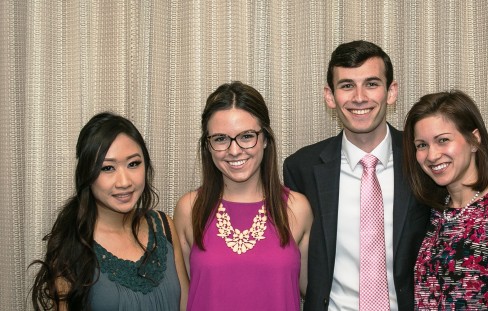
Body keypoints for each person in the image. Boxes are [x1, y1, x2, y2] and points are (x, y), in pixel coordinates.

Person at [283, 40, 430, 311]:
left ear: (391, 91)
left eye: (372, 84)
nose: (359, 97)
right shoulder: (301, 168)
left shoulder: (422, 159)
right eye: (347, 85)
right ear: (330, 96)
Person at [173, 81, 312, 311]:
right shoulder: (189, 208)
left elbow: (315, 290)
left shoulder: (297, 208)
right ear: (208, 146)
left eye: (247, 136)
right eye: (220, 139)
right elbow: (182, 298)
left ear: (265, 139)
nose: (235, 150)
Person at [30, 112, 189, 311]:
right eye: (107, 168)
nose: (124, 182)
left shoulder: (164, 225)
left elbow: (186, 304)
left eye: (133, 164)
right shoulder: (71, 246)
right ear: (86, 174)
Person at [402, 90, 488, 310]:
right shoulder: (434, 212)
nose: (432, 155)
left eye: (443, 140)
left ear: (474, 140)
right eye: (421, 145)